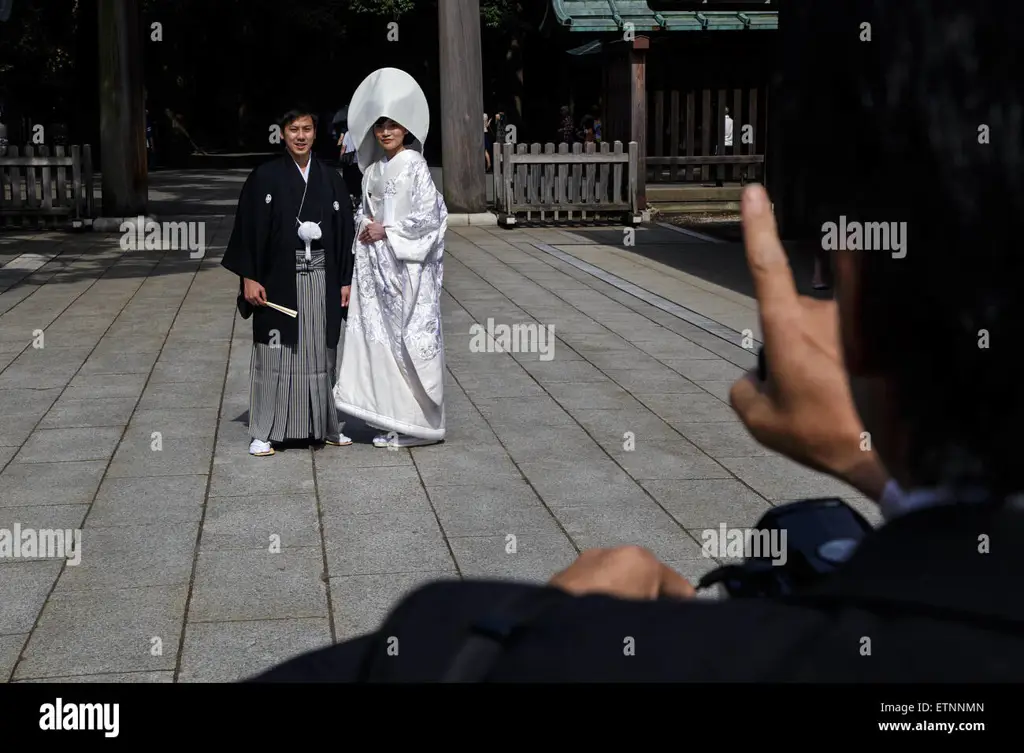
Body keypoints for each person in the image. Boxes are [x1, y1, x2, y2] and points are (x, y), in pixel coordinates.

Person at [249, 0, 1024, 681]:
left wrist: (539, 634)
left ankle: (408, 419)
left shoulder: (680, 652)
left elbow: (429, 227)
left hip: (403, 273)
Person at [221, 106, 355, 457]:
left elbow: (344, 233)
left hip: (323, 277)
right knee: (276, 352)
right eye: (293, 129)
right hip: (278, 278)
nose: (300, 136)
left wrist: (345, 279)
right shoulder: (264, 177)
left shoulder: (330, 177)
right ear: (282, 133)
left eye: (307, 129)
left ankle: (323, 425)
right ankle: (264, 430)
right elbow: (248, 229)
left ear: (315, 133)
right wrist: (248, 277)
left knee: (319, 351)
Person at [332, 68, 447, 449]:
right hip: (378, 268)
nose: (386, 132)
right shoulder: (371, 172)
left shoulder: (414, 164)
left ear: (406, 129)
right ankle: (393, 419)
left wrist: (389, 232)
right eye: (380, 126)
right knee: (383, 344)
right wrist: (366, 224)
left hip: (407, 268)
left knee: (408, 339)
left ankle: (420, 425)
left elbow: (431, 216)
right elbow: (364, 211)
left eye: (393, 125)